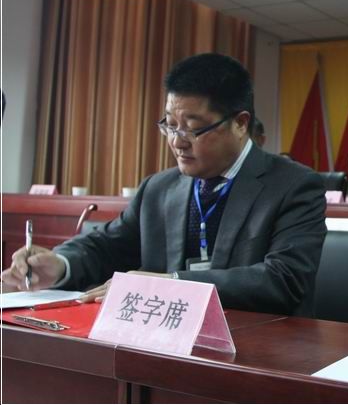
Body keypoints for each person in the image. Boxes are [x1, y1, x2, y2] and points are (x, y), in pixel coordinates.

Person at [2, 53, 327, 315]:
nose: (177, 142)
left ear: (240, 124)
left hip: (260, 346)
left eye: (192, 129)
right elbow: (106, 247)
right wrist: (60, 264)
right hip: (165, 345)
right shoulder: (158, 189)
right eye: (170, 125)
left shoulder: (294, 186)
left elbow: (282, 280)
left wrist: (170, 284)